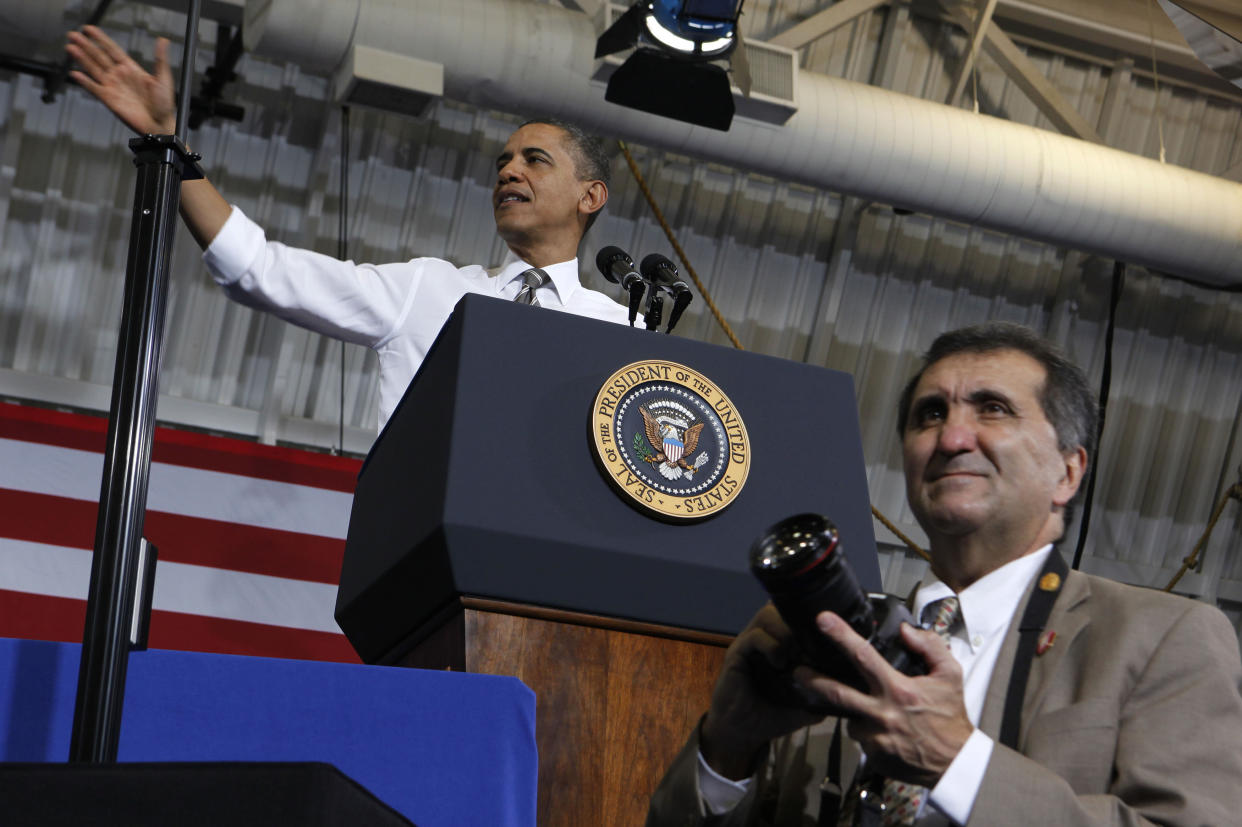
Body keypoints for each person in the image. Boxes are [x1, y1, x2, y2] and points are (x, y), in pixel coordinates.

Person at [648, 322, 1242, 826]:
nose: (952, 438)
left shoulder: (1166, 637)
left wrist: (958, 763)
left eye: (994, 409)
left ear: (1068, 471)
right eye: (929, 415)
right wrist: (726, 749)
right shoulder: (836, 650)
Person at [65, 25, 633, 429]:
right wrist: (171, 147)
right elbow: (261, 270)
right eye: (503, 162)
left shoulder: (621, 331)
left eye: (535, 160)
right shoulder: (431, 289)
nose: (508, 169)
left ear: (591, 195)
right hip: (423, 568)